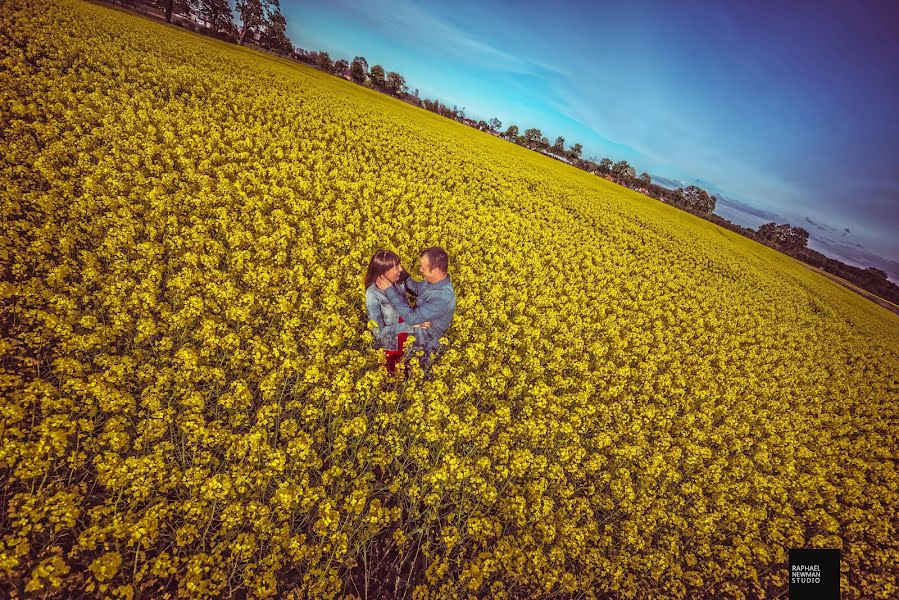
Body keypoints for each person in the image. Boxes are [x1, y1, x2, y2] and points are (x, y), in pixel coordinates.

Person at [382, 246, 457, 367]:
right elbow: (417, 288)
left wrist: (389, 290)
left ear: (436, 270)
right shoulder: (433, 282)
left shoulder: (442, 297)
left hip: (423, 350)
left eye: (423, 267)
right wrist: (400, 271)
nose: (420, 270)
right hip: (412, 340)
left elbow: (412, 319)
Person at [364, 250, 429, 374]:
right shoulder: (373, 294)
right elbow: (378, 332)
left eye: (400, 265)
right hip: (391, 348)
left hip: (410, 342)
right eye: (396, 267)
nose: (401, 269)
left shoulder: (400, 282)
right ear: (384, 271)